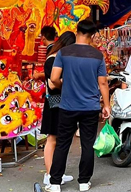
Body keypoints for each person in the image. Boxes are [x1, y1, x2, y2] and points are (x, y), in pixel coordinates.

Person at [46, 19, 110, 192]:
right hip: (90, 106)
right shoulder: (97, 55)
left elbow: (53, 78)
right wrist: (107, 105)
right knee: (88, 144)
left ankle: (55, 183)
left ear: (77, 31)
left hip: (68, 106)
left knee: (62, 144)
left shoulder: (64, 52)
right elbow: (103, 83)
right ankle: (83, 182)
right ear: (92, 35)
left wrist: (64, 86)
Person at [41, 31, 76, 187]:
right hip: (54, 104)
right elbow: (52, 84)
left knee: (61, 139)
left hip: (63, 102)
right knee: (52, 139)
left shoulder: (60, 58)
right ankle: (49, 175)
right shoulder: (52, 59)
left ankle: (57, 172)